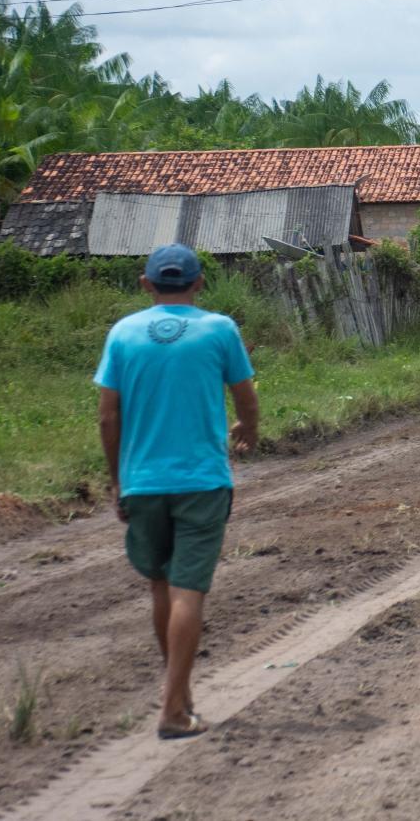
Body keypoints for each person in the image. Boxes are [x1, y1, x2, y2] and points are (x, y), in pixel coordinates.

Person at [96, 243, 259, 740]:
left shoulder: (122, 334)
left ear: (146, 284)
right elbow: (246, 397)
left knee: (161, 587)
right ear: (200, 283)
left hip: (143, 482)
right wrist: (248, 429)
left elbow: (108, 415)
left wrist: (118, 478)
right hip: (202, 481)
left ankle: (181, 697)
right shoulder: (219, 329)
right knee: (189, 591)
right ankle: (172, 709)